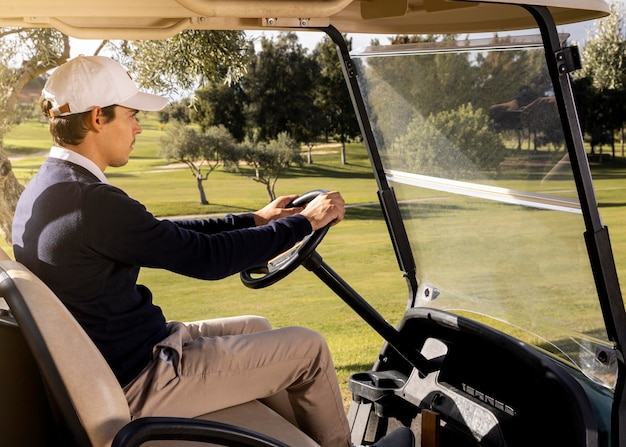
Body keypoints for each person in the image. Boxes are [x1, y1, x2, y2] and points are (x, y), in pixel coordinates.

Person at [11, 55, 413, 447]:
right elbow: (207, 258)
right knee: (309, 348)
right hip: (140, 383)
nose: (138, 128)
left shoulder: (52, 188)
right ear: (98, 117)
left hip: (129, 358)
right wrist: (304, 222)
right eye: (132, 115)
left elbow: (164, 233)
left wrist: (255, 220)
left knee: (255, 325)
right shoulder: (89, 201)